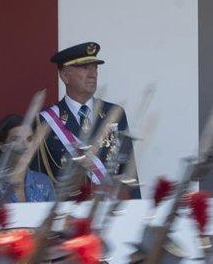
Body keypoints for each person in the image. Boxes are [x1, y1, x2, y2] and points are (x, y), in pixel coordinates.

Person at [33, 42, 141, 199]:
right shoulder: (44, 121)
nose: (93, 74)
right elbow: (38, 180)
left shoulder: (114, 114)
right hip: (67, 214)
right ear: (64, 75)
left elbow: (129, 171)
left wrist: (134, 212)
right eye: (85, 68)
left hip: (107, 213)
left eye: (95, 68)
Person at [0, 114, 56, 203]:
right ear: (2, 146)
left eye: (29, 139)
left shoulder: (44, 182)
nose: (25, 146)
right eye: (17, 140)